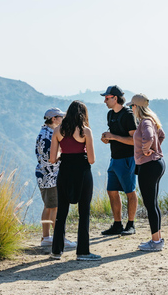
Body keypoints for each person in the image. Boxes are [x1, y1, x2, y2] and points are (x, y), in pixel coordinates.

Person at [49, 100, 101, 261]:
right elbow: (91, 159)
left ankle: (56, 251)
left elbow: (52, 159)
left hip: (64, 172)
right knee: (84, 212)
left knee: (62, 213)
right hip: (82, 172)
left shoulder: (58, 130)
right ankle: (83, 252)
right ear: (83, 114)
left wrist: (63, 155)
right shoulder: (86, 131)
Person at [128, 94, 166, 251]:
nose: (131, 109)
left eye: (132, 106)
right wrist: (154, 148)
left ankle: (155, 242)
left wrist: (146, 150)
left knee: (150, 205)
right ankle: (157, 239)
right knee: (153, 204)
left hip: (148, 165)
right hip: (156, 163)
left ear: (137, 107)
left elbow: (150, 136)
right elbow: (161, 135)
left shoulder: (145, 122)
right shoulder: (151, 120)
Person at [35, 108, 77, 249]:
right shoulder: (49, 135)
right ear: (54, 119)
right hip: (51, 176)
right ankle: (60, 238)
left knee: (48, 206)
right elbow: (51, 158)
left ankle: (46, 237)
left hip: (43, 175)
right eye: (61, 117)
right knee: (55, 208)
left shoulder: (43, 133)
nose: (63, 120)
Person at [100, 85, 138, 236]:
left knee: (130, 192)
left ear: (115, 98)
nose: (105, 101)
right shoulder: (110, 115)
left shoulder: (128, 115)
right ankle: (117, 225)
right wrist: (107, 139)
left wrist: (113, 137)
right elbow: (115, 137)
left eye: (107, 98)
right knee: (111, 191)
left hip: (127, 159)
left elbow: (134, 140)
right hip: (114, 159)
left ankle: (131, 224)